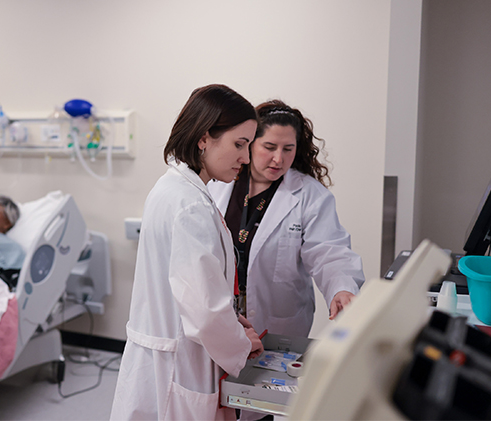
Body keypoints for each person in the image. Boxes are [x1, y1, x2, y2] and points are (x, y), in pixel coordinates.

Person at [110, 84, 264, 420]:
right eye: (239, 144)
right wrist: (240, 344)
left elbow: (189, 291)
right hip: (177, 367)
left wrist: (230, 320)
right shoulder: (189, 205)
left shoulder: (175, 189)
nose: (246, 158)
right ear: (204, 138)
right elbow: (205, 313)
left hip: (168, 355)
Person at [208, 99, 365, 341]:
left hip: (278, 327)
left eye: (287, 149)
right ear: (249, 144)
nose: (278, 159)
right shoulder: (219, 183)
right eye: (269, 147)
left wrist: (341, 289)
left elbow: (329, 252)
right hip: (220, 320)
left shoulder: (310, 196)